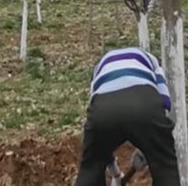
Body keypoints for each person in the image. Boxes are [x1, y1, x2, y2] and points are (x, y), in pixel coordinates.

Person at [74, 46, 181, 186]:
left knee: (91, 167)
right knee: (164, 167)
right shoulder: (153, 61)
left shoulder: (99, 69)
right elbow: (165, 102)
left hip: (104, 109)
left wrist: (113, 171)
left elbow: (97, 128)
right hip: (144, 104)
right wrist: (151, 147)